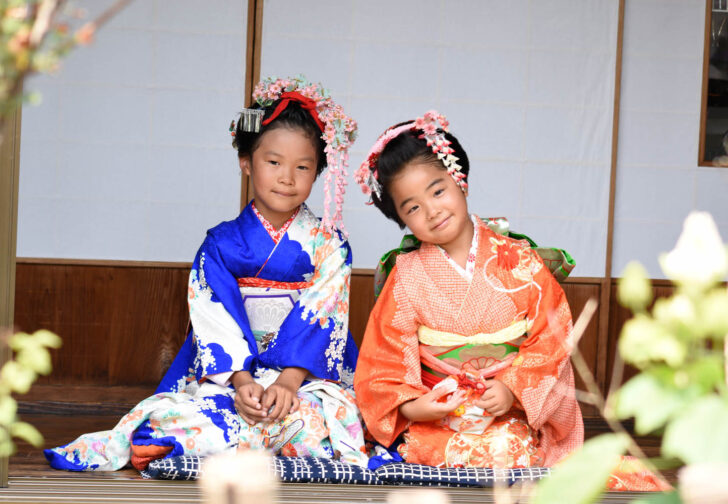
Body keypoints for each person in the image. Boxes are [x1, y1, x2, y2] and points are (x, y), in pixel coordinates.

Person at [45, 75, 367, 472]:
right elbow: (212, 314)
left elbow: (324, 315)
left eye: (303, 166)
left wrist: (288, 381)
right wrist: (242, 381)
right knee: (205, 410)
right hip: (234, 375)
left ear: (317, 173)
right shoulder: (221, 244)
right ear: (246, 162)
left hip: (304, 377)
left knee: (324, 415)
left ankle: (241, 440)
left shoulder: (330, 245)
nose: (287, 177)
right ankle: (263, 439)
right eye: (273, 162)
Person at [352, 111, 583, 468]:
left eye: (438, 191)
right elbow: (383, 362)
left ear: (460, 180)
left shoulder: (519, 259)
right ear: (401, 218)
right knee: (425, 452)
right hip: (436, 416)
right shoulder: (407, 274)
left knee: (507, 449)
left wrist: (512, 388)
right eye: (413, 208)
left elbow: (552, 336)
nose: (432, 211)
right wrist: (414, 406)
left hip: (508, 413)